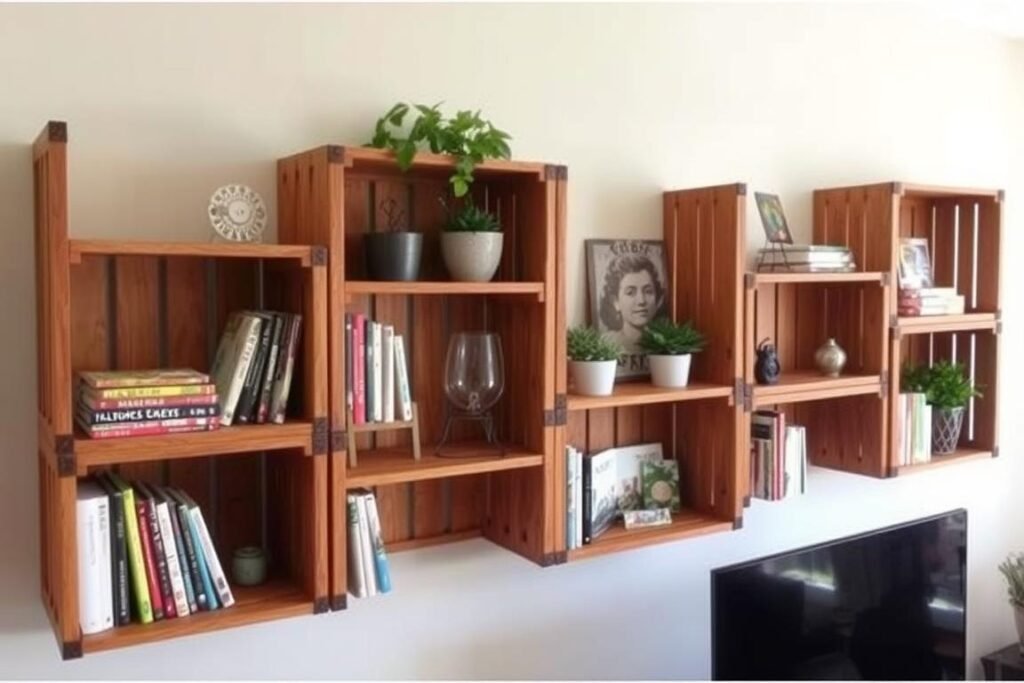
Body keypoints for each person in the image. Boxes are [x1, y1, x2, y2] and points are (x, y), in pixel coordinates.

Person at [598, 253, 666, 360]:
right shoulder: (607, 343)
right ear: (615, 301)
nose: (641, 301)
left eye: (648, 291)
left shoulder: (665, 343)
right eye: (630, 292)